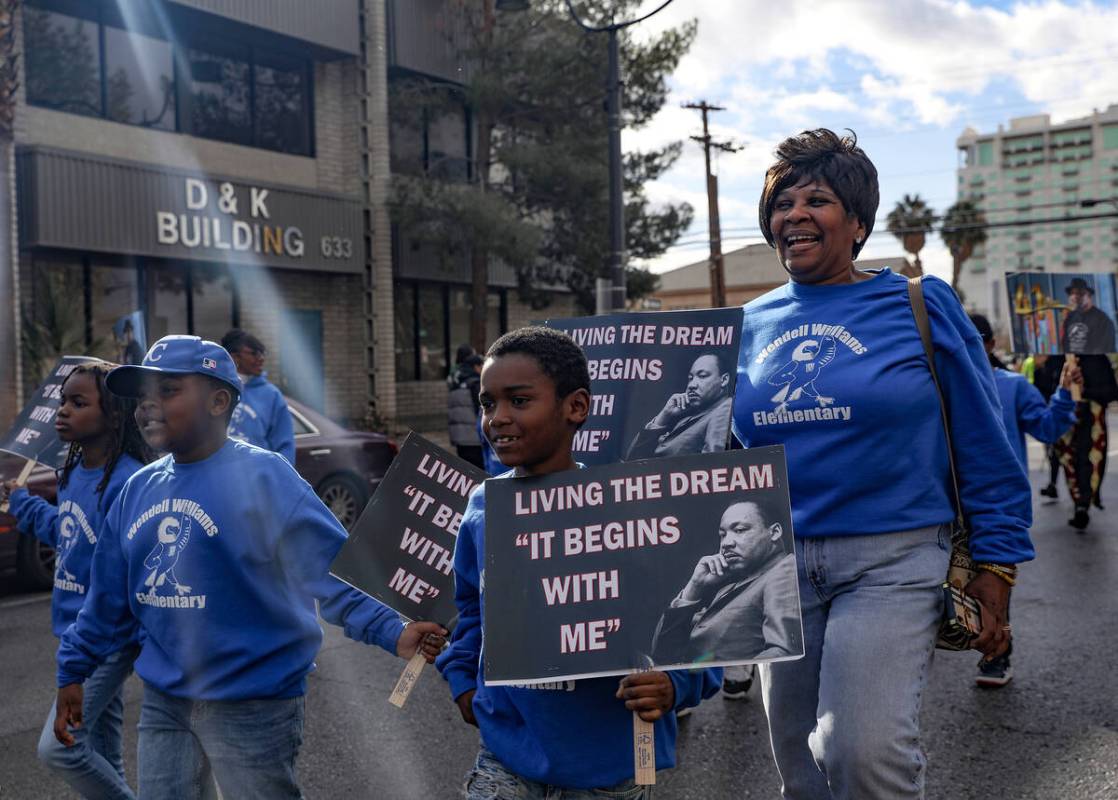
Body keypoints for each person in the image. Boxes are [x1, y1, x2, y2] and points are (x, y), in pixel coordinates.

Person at [733, 129, 1033, 799]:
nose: (795, 214)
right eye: (782, 203)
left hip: (892, 561)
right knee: (802, 773)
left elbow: (985, 440)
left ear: (859, 223)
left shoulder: (918, 304)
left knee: (860, 752)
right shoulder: (745, 326)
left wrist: (997, 563)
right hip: (777, 568)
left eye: (818, 199)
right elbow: (715, 456)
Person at [52, 335, 445, 799]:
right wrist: (72, 671)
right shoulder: (136, 489)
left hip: (254, 703)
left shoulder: (267, 478)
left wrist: (393, 630)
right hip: (165, 702)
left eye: (169, 391)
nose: (147, 407)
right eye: (141, 397)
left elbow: (334, 572)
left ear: (219, 400)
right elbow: (106, 601)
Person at [436, 327, 721, 797]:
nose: (498, 419)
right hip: (506, 757)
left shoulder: (634, 510)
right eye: (488, 404)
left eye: (519, 401)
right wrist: (464, 681)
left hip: (609, 770)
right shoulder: (483, 508)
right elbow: (470, 609)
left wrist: (676, 685)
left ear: (577, 407)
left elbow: (699, 625)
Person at [1, 362, 149, 800]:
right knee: (102, 750)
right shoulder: (75, 471)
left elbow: (117, 576)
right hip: (73, 632)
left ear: (115, 416)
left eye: (78, 403)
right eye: (63, 401)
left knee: (59, 749)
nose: (62, 411)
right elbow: (69, 535)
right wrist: (23, 504)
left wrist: (79, 659)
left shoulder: (125, 482)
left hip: (103, 638)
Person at [969, 314, 1079, 687]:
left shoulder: (1013, 386)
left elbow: (1048, 428)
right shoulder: (933, 387)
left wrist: (1064, 394)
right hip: (942, 505)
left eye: (973, 338)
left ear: (989, 344)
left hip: (998, 507)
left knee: (993, 584)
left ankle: (996, 657)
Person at [650, 498, 800, 665]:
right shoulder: (731, 586)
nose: (726, 543)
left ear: (774, 532)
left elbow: (783, 653)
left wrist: (722, 682)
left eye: (740, 530)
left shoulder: (784, 570)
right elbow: (662, 653)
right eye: (723, 535)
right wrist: (694, 586)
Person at [1050, 353, 1118, 529]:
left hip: (1093, 421)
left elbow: (1111, 392)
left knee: (1090, 460)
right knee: (1069, 459)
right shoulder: (1060, 358)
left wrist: (1084, 392)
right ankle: (1079, 502)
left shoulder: (1098, 359)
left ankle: (1083, 504)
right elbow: (1051, 388)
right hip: (1067, 418)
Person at [626, 353, 733, 459]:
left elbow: (715, 467)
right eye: (690, 378)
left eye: (702, 376)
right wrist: (663, 416)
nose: (691, 385)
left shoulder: (725, 410)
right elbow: (632, 458)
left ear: (724, 380)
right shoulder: (689, 416)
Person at [220, 328, 295, 464]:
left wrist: (277, 480)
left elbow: (285, 447)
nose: (261, 359)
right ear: (234, 357)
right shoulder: (215, 390)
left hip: (258, 480)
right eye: (254, 353)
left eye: (262, 353)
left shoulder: (271, 395)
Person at [448, 350, 486, 469]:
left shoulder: (455, 384)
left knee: (466, 472)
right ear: (476, 367)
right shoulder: (475, 384)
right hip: (474, 439)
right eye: (482, 366)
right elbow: (482, 410)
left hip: (459, 439)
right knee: (478, 473)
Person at [1060, 277, 1117, 354]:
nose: (1074, 297)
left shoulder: (1103, 320)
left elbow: (1105, 350)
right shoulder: (1070, 318)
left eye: (1079, 293)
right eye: (1071, 293)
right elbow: (1065, 345)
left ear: (1089, 296)